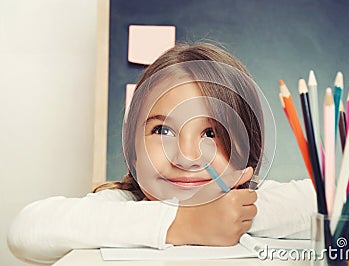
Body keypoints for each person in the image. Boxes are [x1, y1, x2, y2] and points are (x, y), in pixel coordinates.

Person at [8, 42, 316, 265]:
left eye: (210, 133)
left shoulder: (252, 198)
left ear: (245, 161)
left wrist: (233, 217)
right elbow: (27, 231)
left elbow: (337, 205)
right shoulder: (124, 203)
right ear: (134, 152)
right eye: (162, 131)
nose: (186, 155)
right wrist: (184, 223)